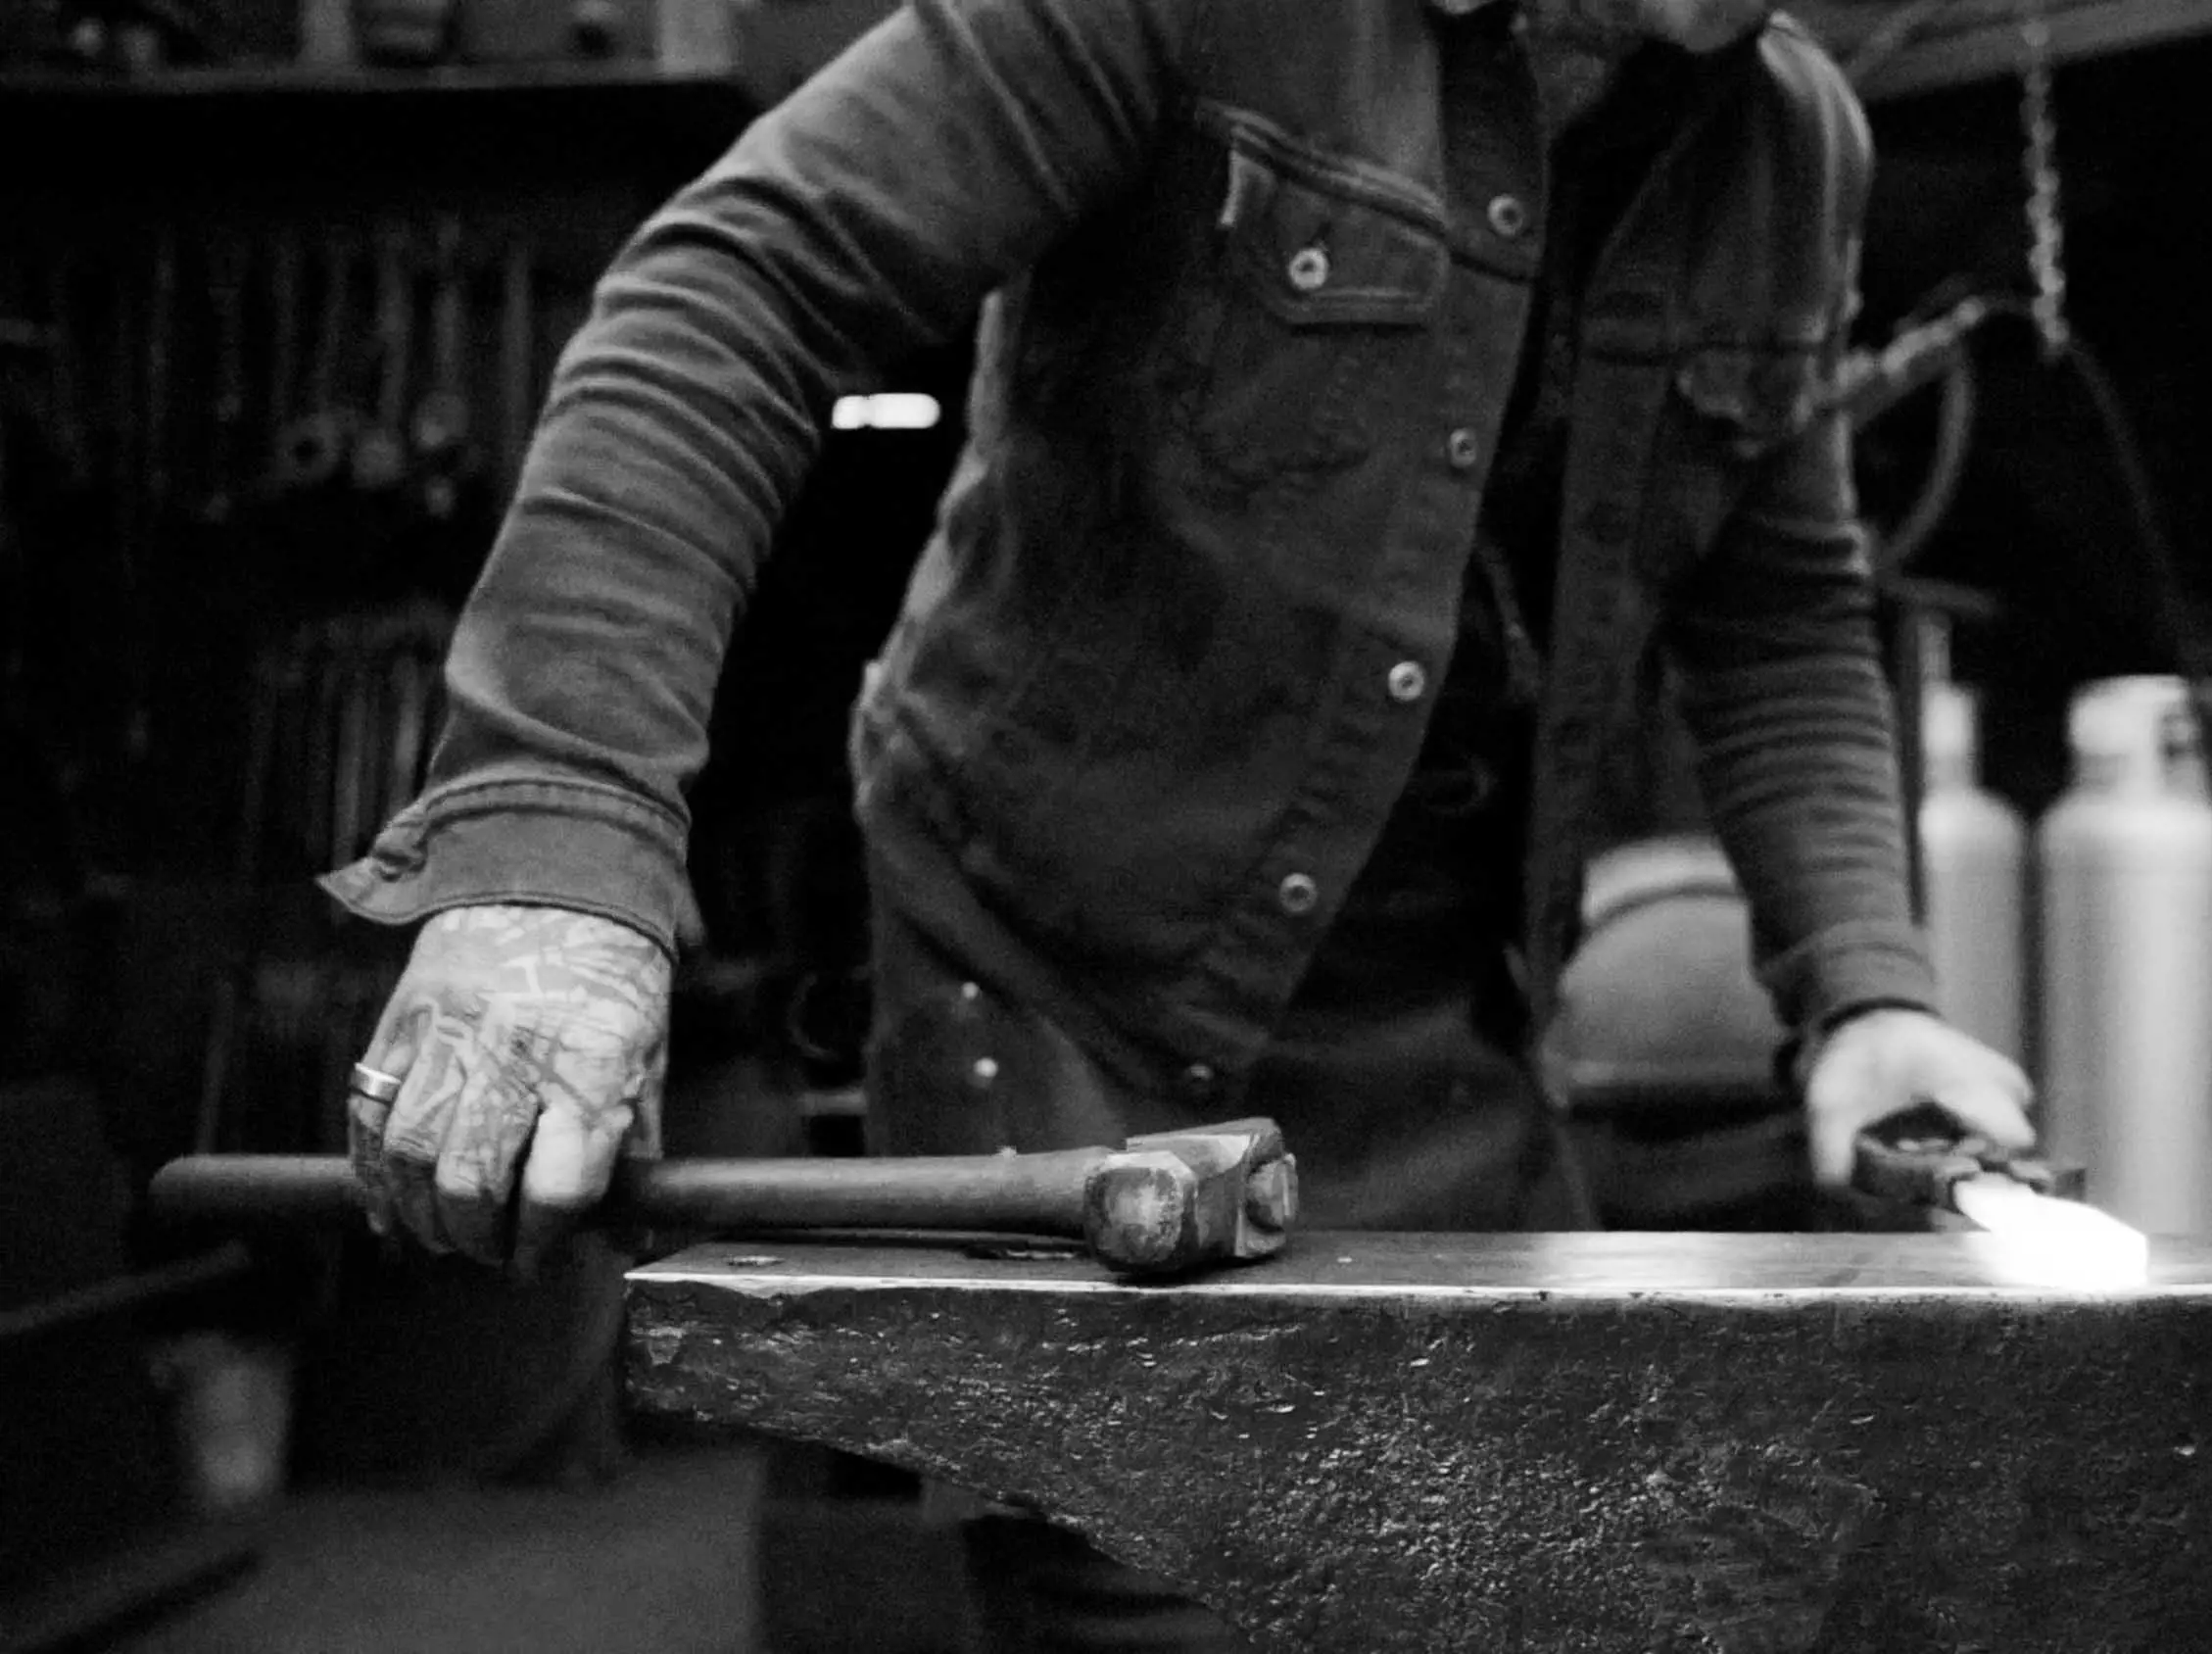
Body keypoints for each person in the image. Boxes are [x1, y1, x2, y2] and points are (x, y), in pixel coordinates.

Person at [326, 0, 2037, 1644]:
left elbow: (1782, 608)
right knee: (1164, 1603)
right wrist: (554, 855)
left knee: (1500, 1573)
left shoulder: (1790, 142)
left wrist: (1868, 989)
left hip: (1441, 1026)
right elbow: (731, 296)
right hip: (1065, 987)